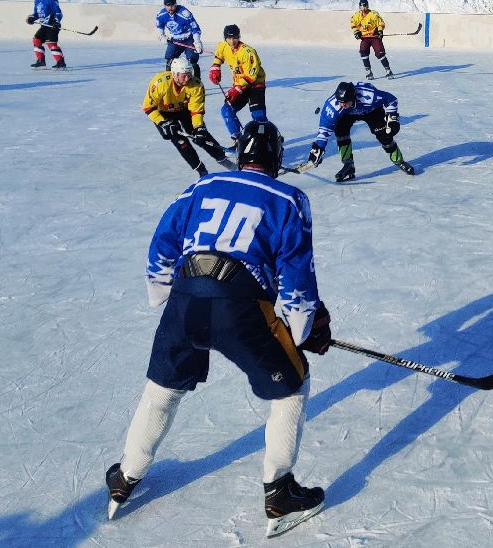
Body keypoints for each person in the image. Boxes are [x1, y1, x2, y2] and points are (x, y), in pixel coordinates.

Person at [105, 120, 331, 539]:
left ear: (241, 153)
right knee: (291, 387)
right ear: (277, 158)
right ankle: (280, 491)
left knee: (161, 390)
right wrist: (305, 325)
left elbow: (163, 243)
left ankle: (126, 476)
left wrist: (162, 292)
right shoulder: (290, 197)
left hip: (185, 300)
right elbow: (296, 272)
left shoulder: (201, 187)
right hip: (241, 308)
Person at [143, 58, 235, 177]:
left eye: (189, 75)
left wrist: (199, 128)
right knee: (178, 139)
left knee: (202, 135)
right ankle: (201, 170)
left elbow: (196, 111)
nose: (187, 79)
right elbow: (148, 108)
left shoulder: (196, 85)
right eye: (183, 76)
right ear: (174, 74)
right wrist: (163, 123)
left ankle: (222, 159)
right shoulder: (159, 84)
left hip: (185, 111)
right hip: (164, 113)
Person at [308, 81, 414, 182]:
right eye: (340, 102)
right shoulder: (333, 105)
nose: (342, 105)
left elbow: (391, 99)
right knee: (340, 131)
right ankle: (348, 165)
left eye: (345, 102)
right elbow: (324, 130)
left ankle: (399, 161)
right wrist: (318, 148)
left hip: (371, 111)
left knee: (385, 136)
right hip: (347, 114)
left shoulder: (369, 96)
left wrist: (392, 118)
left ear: (353, 97)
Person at [209, 24, 268, 147]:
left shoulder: (248, 52)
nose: (232, 41)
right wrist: (216, 67)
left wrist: (237, 89)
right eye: (229, 38)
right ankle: (238, 139)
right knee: (227, 110)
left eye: (235, 37)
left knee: (259, 117)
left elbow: (251, 76)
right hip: (239, 86)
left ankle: (266, 142)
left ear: (239, 36)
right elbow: (219, 54)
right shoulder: (223, 45)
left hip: (255, 86)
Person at [156, 0, 203, 79]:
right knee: (169, 60)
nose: (170, 8)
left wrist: (197, 42)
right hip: (175, 41)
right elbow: (159, 27)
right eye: (168, 6)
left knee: (193, 60)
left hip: (188, 39)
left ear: (175, 4)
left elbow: (195, 28)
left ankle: (197, 82)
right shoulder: (161, 15)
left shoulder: (184, 13)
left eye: (172, 5)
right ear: (164, 6)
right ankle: (170, 82)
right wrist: (162, 37)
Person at [350, 0, 395, 79]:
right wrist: (356, 32)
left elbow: (380, 23)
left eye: (365, 6)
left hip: (374, 37)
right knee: (363, 52)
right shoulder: (357, 15)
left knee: (380, 53)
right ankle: (369, 72)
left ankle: (388, 71)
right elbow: (353, 24)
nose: (363, 8)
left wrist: (380, 31)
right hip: (365, 38)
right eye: (361, 6)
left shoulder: (373, 14)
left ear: (367, 6)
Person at [26, 0, 67, 69]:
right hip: (44, 26)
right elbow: (37, 14)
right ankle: (41, 61)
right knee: (36, 40)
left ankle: (61, 62)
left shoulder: (52, 0)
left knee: (51, 43)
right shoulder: (37, 1)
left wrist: (56, 22)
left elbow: (58, 13)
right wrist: (32, 18)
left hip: (52, 25)